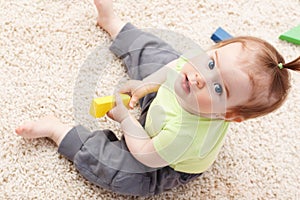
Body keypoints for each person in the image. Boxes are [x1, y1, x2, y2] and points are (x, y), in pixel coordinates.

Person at [15, 0, 300, 197]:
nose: (202, 76)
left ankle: (59, 131)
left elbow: (144, 152)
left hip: (161, 158)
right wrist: (145, 84)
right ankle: (114, 24)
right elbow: (171, 70)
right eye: (211, 63)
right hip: (166, 108)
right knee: (159, 55)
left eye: (218, 89)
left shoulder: (184, 134)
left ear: (229, 115)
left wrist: (127, 119)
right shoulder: (195, 69)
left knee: (121, 173)